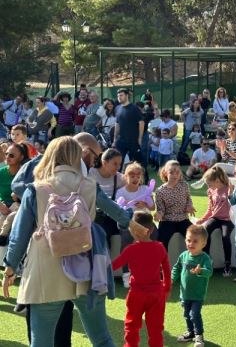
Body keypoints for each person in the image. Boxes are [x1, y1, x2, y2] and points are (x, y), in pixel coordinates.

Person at [8, 132, 148, 347]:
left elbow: (20, 234)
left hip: (46, 270)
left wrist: (9, 269)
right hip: (86, 266)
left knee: (41, 342)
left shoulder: (36, 189)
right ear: (77, 155)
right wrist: (131, 223)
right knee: (101, 339)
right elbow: (113, 209)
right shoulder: (89, 185)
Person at [111, 211, 171, 347]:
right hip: (157, 294)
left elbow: (113, 266)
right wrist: (166, 290)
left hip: (137, 294)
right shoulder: (160, 247)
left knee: (131, 326)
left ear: (133, 230)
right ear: (151, 230)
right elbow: (167, 272)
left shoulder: (130, 250)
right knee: (156, 330)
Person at [115, 162, 155, 289]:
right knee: (127, 242)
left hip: (144, 220)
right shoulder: (121, 192)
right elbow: (118, 209)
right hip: (127, 222)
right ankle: (126, 274)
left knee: (154, 235)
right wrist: (127, 205)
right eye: (132, 175)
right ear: (126, 177)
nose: (135, 178)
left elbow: (152, 207)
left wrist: (145, 205)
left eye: (138, 176)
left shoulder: (144, 189)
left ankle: (149, 271)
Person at [172, 224, 213, 347]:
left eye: (195, 241)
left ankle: (199, 336)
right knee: (186, 314)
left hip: (197, 294)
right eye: (189, 240)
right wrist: (171, 279)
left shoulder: (204, 258)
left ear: (203, 243)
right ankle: (190, 333)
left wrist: (200, 271)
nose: (191, 243)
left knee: (194, 314)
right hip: (184, 294)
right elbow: (177, 268)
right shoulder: (183, 255)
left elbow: (209, 272)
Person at [196, 166, 235, 277]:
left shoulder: (228, 188)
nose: (208, 186)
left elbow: (235, 205)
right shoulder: (210, 191)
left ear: (217, 180)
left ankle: (227, 265)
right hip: (215, 218)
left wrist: (231, 193)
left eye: (209, 184)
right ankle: (207, 260)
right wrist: (202, 220)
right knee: (205, 231)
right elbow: (210, 209)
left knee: (225, 236)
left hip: (228, 220)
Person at [155, 160, 195, 250]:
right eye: (171, 172)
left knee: (196, 235)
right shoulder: (160, 191)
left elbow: (188, 199)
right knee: (162, 240)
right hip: (168, 220)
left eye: (177, 172)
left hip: (183, 219)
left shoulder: (184, 185)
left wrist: (190, 206)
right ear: (165, 173)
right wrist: (159, 214)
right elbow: (161, 209)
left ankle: (196, 260)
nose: (174, 175)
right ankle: (162, 262)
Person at [89, 148, 126, 245]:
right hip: (94, 217)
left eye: (119, 164)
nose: (118, 167)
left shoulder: (120, 178)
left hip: (112, 216)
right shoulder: (91, 173)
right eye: (115, 164)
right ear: (104, 162)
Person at [113, 88, 144, 169]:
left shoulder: (134, 108)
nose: (119, 97)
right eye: (118, 96)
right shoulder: (117, 108)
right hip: (121, 141)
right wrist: (115, 139)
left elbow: (141, 122)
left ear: (127, 96)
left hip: (133, 140)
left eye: (121, 95)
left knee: (139, 163)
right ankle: (117, 180)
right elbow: (117, 124)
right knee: (118, 163)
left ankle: (145, 180)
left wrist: (140, 138)